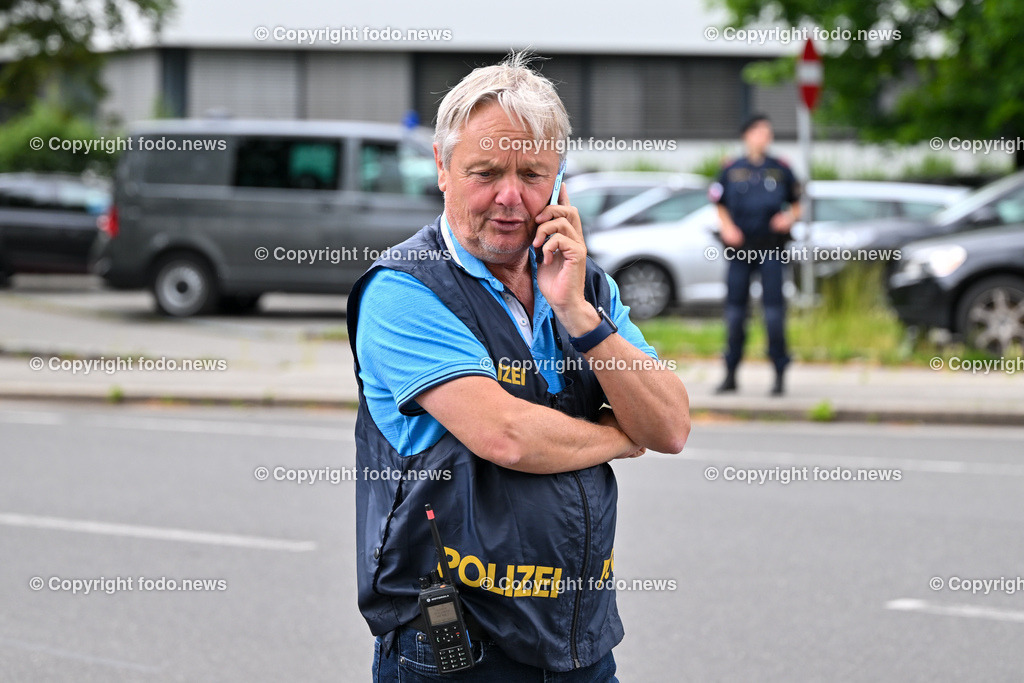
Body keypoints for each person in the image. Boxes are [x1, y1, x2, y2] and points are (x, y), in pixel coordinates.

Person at [347, 52, 690, 682]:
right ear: (443, 170)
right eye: (485, 172)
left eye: (533, 173)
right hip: (455, 645)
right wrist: (619, 435)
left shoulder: (588, 290)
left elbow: (669, 426)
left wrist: (581, 316)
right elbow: (505, 435)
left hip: (577, 638)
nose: (510, 197)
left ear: (561, 181)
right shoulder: (403, 291)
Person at [710, 114, 802, 396]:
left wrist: (789, 218)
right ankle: (731, 373)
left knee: (773, 314)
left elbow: (798, 203)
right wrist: (727, 227)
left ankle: (779, 373)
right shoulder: (732, 168)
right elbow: (718, 201)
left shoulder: (780, 168)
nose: (764, 137)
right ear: (746, 135)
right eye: (759, 131)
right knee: (735, 314)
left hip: (771, 249)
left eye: (767, 132)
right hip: (740, 251)